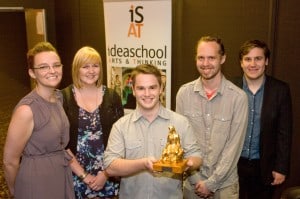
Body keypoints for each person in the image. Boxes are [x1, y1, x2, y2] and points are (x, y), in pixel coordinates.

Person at [103, 64, 202, 199]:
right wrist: (143, 164)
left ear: (161, 89)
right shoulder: (120, 126)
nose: (147, 94)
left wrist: (188, 163)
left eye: (152, 87)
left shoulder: (181, 123)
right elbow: (110, 166)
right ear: (133, 90)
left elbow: (197, 156)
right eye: (141, 88)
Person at [176, 36, 248, 199]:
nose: (205, 63)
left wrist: (211, 183)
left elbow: (233, 147)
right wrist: (196, 180)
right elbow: (181, 141)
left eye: (211, 58)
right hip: (192, 185)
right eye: (201, 57)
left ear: (222, 58)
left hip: (225, 187)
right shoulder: (184, 94)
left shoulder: (238, 97)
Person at [3, 42, 75, 199]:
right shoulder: (26, 110)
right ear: (32, 73)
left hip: (60, 174)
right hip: (36, 180)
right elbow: (10, 161)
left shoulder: (58, 98)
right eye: (43, 67)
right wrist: (17, 190)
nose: (52, 71)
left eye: (56, 65)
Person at [62, 46, 124, 199]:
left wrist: (106, 173)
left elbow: (122, 138)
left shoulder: (112, 96)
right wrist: (84, 175)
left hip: (108, 174)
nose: (91, 71)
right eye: (85, 66)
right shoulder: (63, 98)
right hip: (74, 174)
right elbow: (60, 143)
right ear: (77, 69)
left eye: (95, 66)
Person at [234, 39, 293, 199]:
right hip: (233, 165)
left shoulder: (280, 90)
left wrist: (281, 167)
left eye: (258, 58)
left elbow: (284, 133)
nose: (252, 64)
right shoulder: (231, 88)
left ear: (266, 61)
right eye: (247, 59)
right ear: (241, 63)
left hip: (265, 166)